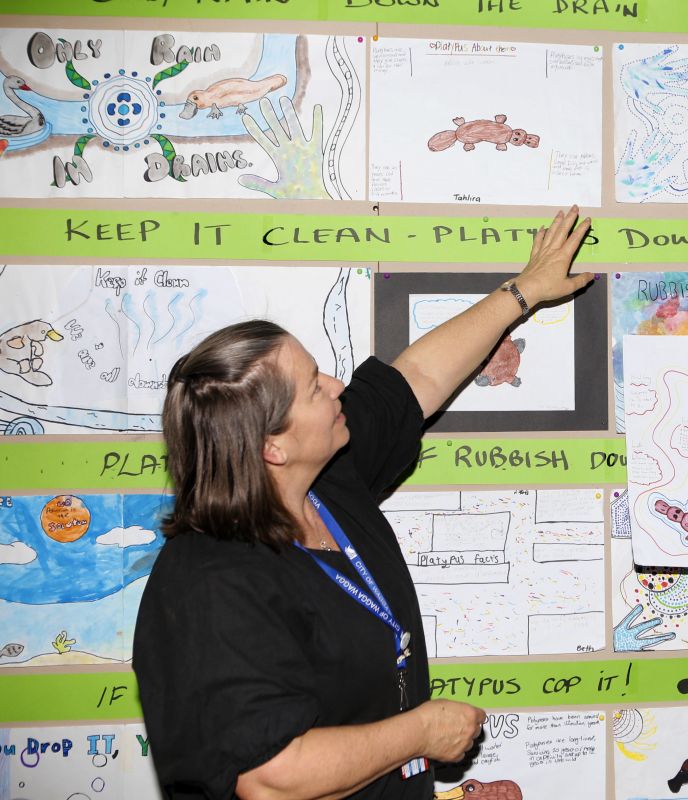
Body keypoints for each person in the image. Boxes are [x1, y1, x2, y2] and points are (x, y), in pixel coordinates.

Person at [133, 208, 594, 800]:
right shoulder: (211, 582)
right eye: (313, 386)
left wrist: (526, 288)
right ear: (273, 445)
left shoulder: (327, 484)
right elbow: (270, 775)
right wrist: (420, 731)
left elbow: (418, 377)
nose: (336, 386)